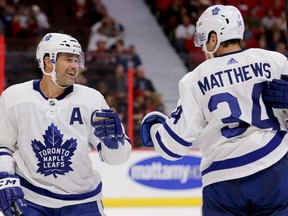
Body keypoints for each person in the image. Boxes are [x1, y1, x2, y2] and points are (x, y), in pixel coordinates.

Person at [140, 5, 288, 216]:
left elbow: (174, 146)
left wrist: (155, 129)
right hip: (274, 168)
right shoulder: (274, 61)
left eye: (202, 39)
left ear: (213, 37)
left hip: (222, 180)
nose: (202, 46)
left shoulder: (196, 78)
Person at [0, 33, 131, 216]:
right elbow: (3, 146)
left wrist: (115, 143)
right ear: (47, 61)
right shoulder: (14, 97)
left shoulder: (91, 100)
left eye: (77, 60)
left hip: (83, 201)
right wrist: (5, 177)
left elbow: (116, 159)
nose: (74, 66)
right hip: (31, 200)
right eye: (68, 59)